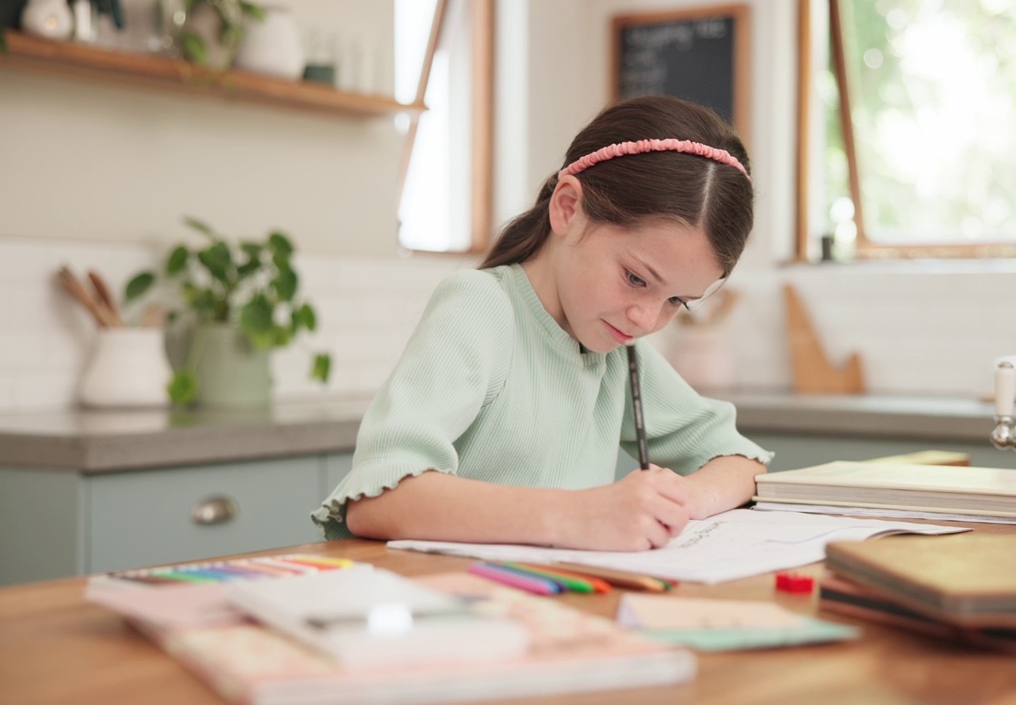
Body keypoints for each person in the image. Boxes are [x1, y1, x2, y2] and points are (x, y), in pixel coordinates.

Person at [312, 95, 772, 551]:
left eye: (676, 300)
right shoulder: (482, 308)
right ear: (568, 208)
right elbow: (379, 497)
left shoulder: (615, 353)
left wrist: (682, 499)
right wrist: (580, 515)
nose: (647, 319)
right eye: (635, 278)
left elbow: (744, 462)